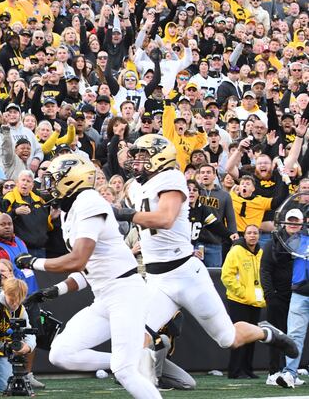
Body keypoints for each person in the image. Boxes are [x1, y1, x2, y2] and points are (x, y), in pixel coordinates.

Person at [113, 135, 298, 381]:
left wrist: (125, 213)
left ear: (160, 157)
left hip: (186, 275)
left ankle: (267, 333)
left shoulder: (172, 178)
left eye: (143, 157)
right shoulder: (139, 185)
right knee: (139, 335)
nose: (137, 162)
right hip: (158, 279)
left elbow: (165, 219)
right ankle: (157, 377)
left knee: (228, 339)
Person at [16, 154, 162, 399]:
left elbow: (78, 259)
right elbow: (89, 267)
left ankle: (129, 362)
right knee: (61, 354)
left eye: (54, 179)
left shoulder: (89, 202)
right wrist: (56, 290)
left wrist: (34, 262)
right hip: (104, 295)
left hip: (125, 292)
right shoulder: (69, 210)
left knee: (124, 371)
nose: (48, 186)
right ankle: (136, 358)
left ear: (71, 180)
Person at [261, 208, 302, 386]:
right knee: (276, 335)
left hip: (297, 295)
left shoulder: (305, 242)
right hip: (278, 296)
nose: (293, 224)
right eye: (290, 221)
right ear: (284, 222)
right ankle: (273, 372)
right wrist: (271, 295)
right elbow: (265, 271)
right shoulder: (273, 242)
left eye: (296, 221)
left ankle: (288, 372)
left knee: (293, 335)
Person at [221, 225, 266, 379]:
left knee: (252, 336)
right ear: (244, 235)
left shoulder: (261, 252)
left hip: (255, 301)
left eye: (255, 233)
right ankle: (235, 371)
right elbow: (226, 276)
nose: (252, 236)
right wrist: (243, 293)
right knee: (240, 336)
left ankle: (247, 369)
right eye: (249, 233)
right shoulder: (236, 251)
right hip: (238, 300)